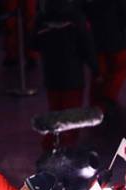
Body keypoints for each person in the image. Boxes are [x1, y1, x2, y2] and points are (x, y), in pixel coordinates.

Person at [33, 0, 97, 149]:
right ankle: (68, 151)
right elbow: (86, 46)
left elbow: (33, 44)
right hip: (73, 75)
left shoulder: (41, 17)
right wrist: (96, 70)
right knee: (72, 117)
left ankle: (51, 148)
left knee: (55, 112)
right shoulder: (76, 16)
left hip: (51, 75)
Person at [83, 0, 126, 108]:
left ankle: (96, 104)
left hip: (96, 42)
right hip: (117, 42)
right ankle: (109, 97)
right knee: (120, 70)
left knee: (99, 74)